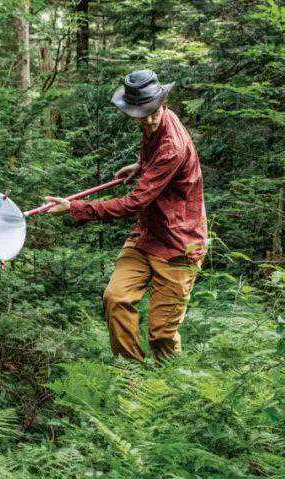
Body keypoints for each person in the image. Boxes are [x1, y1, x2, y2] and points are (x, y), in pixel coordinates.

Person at [44, 69, 208, 362]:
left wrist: (74, 208)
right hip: (148, 235)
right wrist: (141, 165)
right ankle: (131, 377)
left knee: (162, 335)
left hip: (179, 245)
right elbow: (157, 157)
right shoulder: (157, 125)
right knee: (116, 299)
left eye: (153, 112)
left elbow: (133, 203)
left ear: (163, 103)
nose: (149, 120)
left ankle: (169, 385)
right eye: (141, 114)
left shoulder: (172, 146)